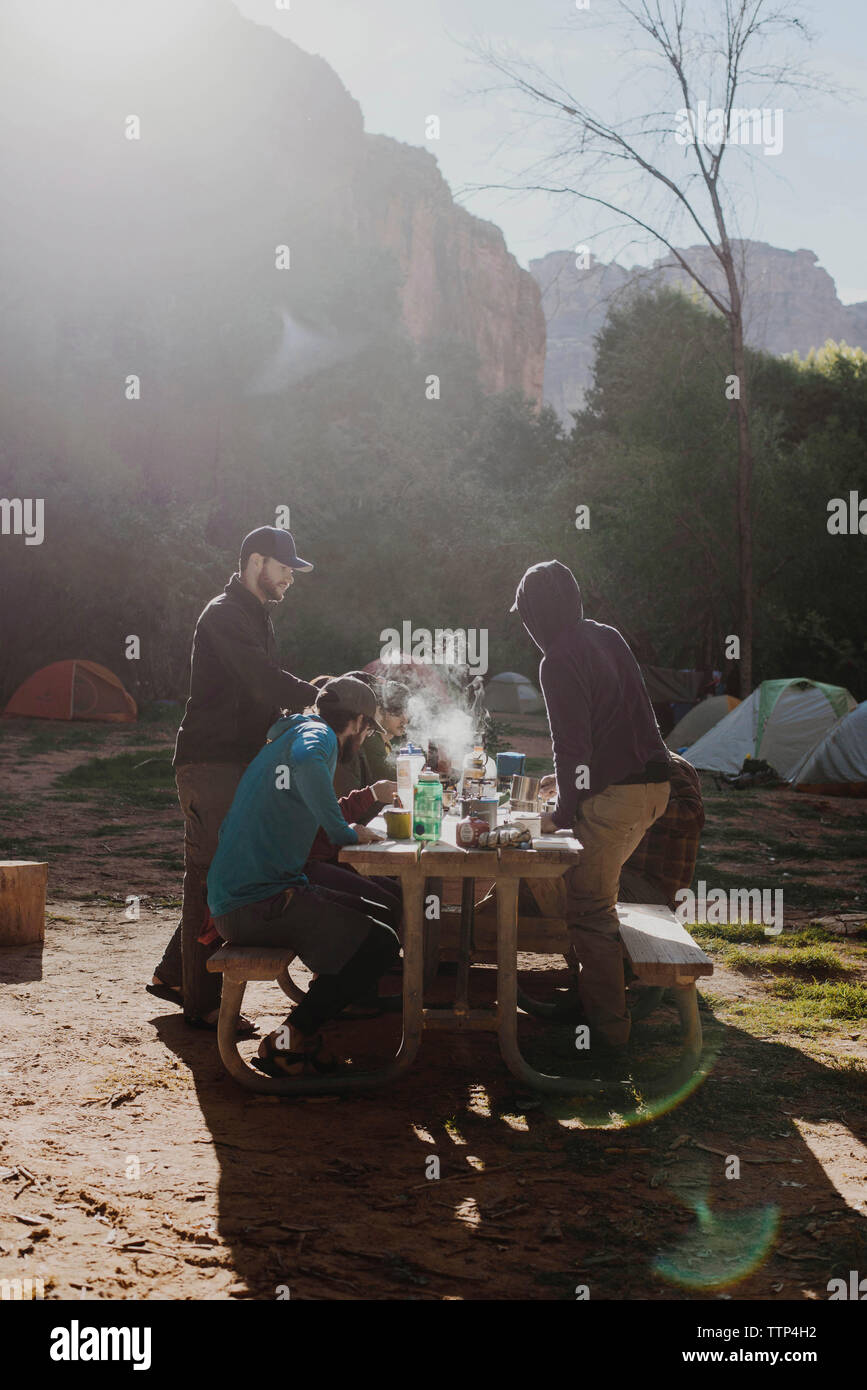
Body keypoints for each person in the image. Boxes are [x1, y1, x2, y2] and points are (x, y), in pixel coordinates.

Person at [150, 526, 318, 1032]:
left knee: (225, 868)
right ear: (256, 562)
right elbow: (260, 677)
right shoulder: (223, 614)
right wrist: (320, 697)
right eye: (285, 567)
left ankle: (173, 972)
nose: (291, 576)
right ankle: (202, 1005)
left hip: (238, 762)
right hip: (211, 763)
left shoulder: (254, 615)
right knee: (208, 872)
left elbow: (264, 690)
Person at [511, 560, 671, 1062]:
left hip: (619, 796)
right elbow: (622, 718)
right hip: (655, 784)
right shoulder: (605, 635)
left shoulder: (556, 659)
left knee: (589, 910)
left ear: (538, 613)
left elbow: (571, 745)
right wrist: (573, 785)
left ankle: (608, 1038)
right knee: (575, 884)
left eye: (526, 617)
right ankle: (588, 1000)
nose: (526, 627)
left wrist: (562, 809)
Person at [207, 677, 402, 1076]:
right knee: (381, 943)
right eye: (367, 731)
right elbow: (310, 759)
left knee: (378, 920)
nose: (364, 740)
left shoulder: (294, 730)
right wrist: (343, 832)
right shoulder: (319, 735)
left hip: (249, 894)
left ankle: (308, 1028)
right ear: (359, 722)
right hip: (256, 903)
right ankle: (287, 1042)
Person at [618, 752, 704, 909]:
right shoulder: (636, 760)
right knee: (570, 879)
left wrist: (632, 805)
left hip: (653, 887)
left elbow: (692, 814)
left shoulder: (668, 765)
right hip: (629, 875)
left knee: (577, 892)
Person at [363, 679, 409, 782]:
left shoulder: (384, 742)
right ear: (380, 710)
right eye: (397, 712)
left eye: (406, 711)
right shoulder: (371, 741)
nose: (405, 720)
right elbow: (390, 779)